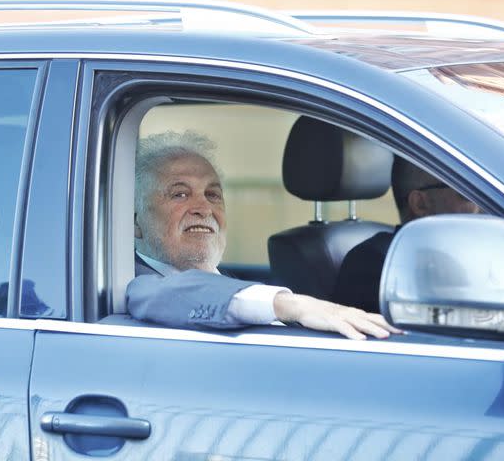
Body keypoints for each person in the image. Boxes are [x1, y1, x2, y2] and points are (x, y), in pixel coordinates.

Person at [126, 131, 401, 340]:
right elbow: (167, 294)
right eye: (180, 194)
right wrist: (291, 305)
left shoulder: (226, 281)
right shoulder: (135, 284)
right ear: (136, 222)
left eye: (213, 195)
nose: (204, 208)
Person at [331, 157, 481, 313]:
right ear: (420, 203)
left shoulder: (464, 256)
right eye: (465, 194)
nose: (478, 206)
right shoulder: (377, 263)